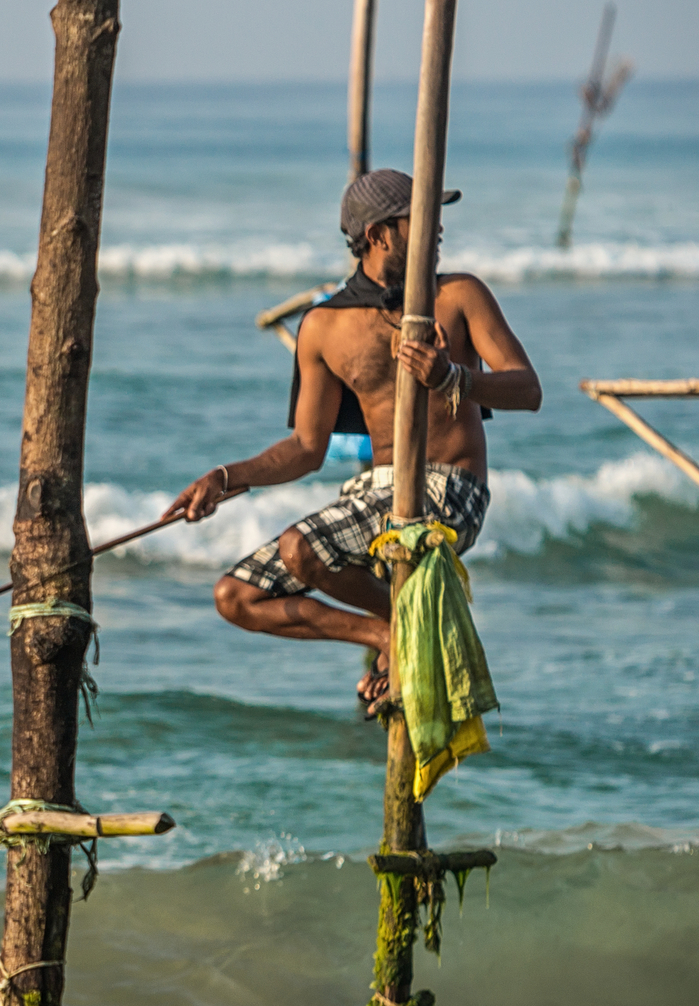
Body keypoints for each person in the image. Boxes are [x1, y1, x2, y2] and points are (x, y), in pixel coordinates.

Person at [166, 168, 542, 707]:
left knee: (301, 547)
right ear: (379, 234)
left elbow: (528, 390)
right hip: (375, 495)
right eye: (424, 218)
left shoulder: (459, 295)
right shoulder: (323, 326)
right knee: (236, 597)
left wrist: (454, 378)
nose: (438, 229)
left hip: (450, 489)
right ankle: (389, 632)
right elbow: (305, 448)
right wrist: (225, 478)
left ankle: (400, 628)